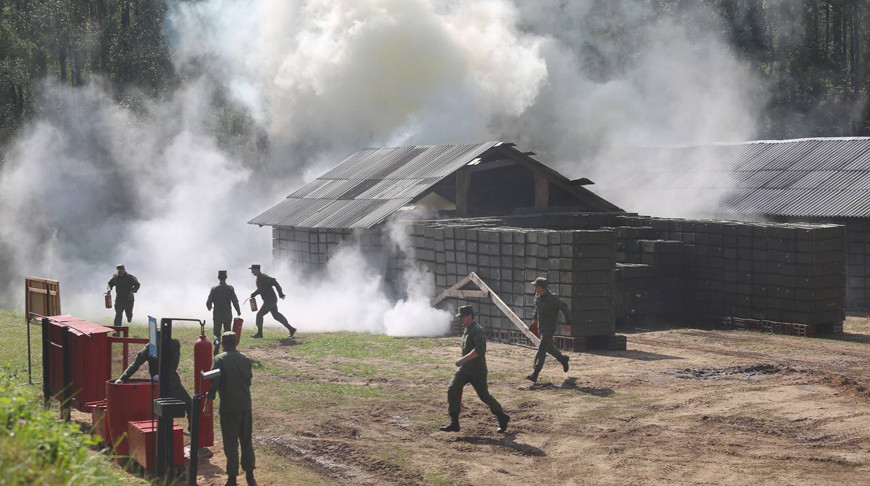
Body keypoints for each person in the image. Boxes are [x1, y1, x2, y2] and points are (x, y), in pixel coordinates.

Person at [440, 305, 509, 434]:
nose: (461, 320)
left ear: (469, 316)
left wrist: (463, 359)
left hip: (477, 370)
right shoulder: (467, 329)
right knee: (453, 388)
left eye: (462, 317)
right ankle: (454, 423)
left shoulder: (477, 330)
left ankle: (502, 417)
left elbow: (480, 350)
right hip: (466, 369)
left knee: (484, 396)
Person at [208, 332, 257, 486]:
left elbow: (213, 384)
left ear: (222, 343)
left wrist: (207, 404)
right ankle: (250, 474)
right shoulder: (245, 359)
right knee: (246, 441)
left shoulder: (219, 359)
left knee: (231, 443)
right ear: (236, 342)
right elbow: (248, 381)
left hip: (229, 407)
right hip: (245, 406)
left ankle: (232, 478)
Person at [114, 335, 191, 421]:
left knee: (190, 404)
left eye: (159, 339)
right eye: (156, 339)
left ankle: (193, 430)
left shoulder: (173, 345)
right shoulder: (150, 347)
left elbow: (173, 366)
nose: (157, 342)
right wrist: (122, 378)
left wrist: (161, 375)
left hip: (171, 383)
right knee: (161, 412)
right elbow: (136, 364)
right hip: (157, 385)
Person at [526, 277, 570, 384]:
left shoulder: (552, 298)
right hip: (540, 327)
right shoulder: (537, 296)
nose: (534, 288)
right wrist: (534, 320)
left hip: (549, 328)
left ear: (541, 287)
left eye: (536, 286)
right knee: (548, 347)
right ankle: (563, 359)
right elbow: (537, 309)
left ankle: (535, 373)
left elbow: (565, 307)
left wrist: (568, 323)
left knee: (541, 348)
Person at [248, 264, 295, 339]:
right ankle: (291, 329)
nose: (251, 272)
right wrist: (254, 294)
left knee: (259, 315)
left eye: (252, 270)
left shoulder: (264, 277)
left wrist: (280, 293)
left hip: (270, 300)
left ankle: (260, 334)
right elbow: (261, 289)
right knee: (276, 315)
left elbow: (275, 282)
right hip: (269, 300)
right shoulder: (258, 278)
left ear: (257, 270)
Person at [207, 270, 242, 355]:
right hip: (227, 314)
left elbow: (208, 301)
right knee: (227, 332)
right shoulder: (230, 288)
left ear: (218, 278)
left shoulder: (214, 288)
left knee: (216, 333)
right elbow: (235, 301)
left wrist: (209, 307)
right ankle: (227, 350)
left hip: (217, 314)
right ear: (226, 278)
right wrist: (238, 310)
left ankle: (217, 342)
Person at [107, 264, 140, 333]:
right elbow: (110, 284)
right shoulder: (115, 278)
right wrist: (109, 290)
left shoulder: (130, 277)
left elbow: (137, 284)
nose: (120, 272)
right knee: (118, 314)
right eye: (118, 271)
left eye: (121, 271)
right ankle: (117, 332)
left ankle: (129, 317)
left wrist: (132, 291)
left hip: (129, 299)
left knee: (129, 313)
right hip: (119, 299)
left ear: (124, 270)